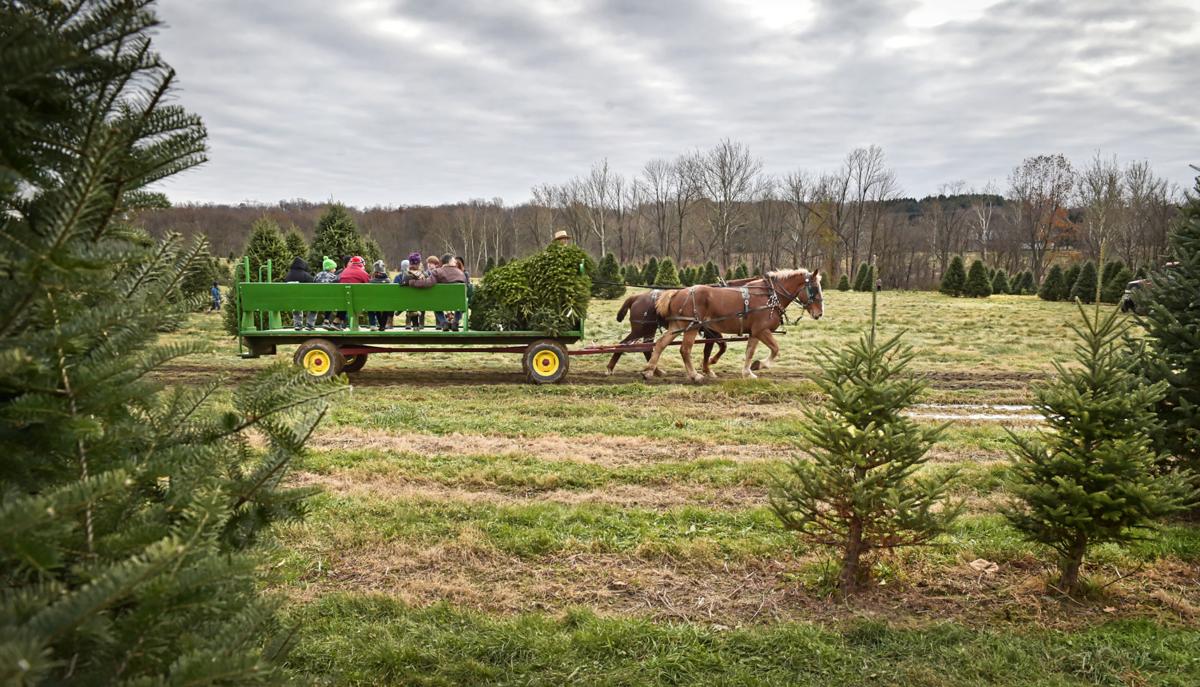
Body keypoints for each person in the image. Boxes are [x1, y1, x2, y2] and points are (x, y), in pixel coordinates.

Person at [410, 254, 467, 331]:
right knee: (461, 301)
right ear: (449, 262)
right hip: (458, 303)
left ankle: (444, 323)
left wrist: (412, 282)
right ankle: (455, 322)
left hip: (441, 302)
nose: (455, 263)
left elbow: (428, 283)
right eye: (454, 261)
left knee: (435, 302)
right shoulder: (461, 273)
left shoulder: (437, 272)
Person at [284, 257, 316, 331]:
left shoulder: (288, 275)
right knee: (314, 303)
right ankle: (310, 325)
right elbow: (313, 287)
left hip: (292, 301)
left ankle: (298, 325)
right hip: (306, 300)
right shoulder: (306, 275)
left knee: (296, 302)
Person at [400, 252, 426, 329]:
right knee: (419, 301)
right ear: (419, 263)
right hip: (423, 301)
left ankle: (415, 325)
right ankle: (420, 324)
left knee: (411, 302)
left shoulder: (406, 276)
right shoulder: (424, 274)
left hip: (410, 303)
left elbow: (402, 284)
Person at [314, 256, 340, 331]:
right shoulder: (334, 276)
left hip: (317, 298)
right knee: (332, 299)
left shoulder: (317, 275)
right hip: (329, 300)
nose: (335, 270)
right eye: (334, 268)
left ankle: (311, 324)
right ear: (330, 268)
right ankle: (327, 321)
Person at [368, 259, 390, 331]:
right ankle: (382, 325)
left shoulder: (371, 281)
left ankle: (381, 325)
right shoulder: (388, 281)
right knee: (386, 307)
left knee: (376, 306)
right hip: (386, 303)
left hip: (374, 303)